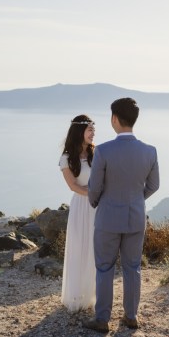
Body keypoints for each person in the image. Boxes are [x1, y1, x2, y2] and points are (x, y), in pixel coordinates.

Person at [84, 98, 159, 332]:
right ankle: (131, 315)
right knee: (132, 267)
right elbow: (154, 185)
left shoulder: (104, 151)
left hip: (107, 217)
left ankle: (102, 319)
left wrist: (97, 202)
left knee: (104, 267)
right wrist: (136, 200)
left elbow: (94, 187)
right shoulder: (150, 151)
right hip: (135, 217)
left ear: (114, 119)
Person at [58, 114, 97, 311]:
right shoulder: (66, 158)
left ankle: (92, 295)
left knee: (94, 250)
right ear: (79, 131)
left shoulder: (96, 153)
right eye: (89, 129)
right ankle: (76, 296)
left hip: (98, 207)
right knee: (79, 249)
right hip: (81, 207)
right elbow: (73, 185)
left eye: (93, 130)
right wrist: (94, 195)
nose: (93, 133)